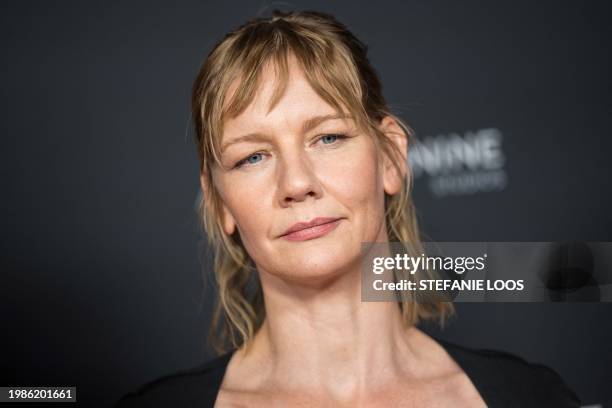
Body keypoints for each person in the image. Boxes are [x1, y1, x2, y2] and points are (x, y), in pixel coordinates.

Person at [116, 9, 580, 407]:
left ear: (392, 157)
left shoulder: (533, 396)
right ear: (220, 202)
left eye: (328, 137)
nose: (296, 183)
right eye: (252, 157)